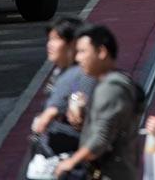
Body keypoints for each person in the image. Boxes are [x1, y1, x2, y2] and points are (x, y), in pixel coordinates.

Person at [54, 25, 142, 180]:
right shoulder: (110, 83)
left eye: (82, 52)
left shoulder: (110, 88)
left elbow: (100, 139)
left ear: (101, 52)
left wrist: (70, 162)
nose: (77, 58)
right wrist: (83, 118)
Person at [30, 17, 96, 156]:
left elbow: (59, 107)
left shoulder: (79, 74)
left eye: (56, 39)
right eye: (49, 39)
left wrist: (46, 117)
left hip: (71, 156)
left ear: (73, 44)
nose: (50, 45)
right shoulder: (60, 71)